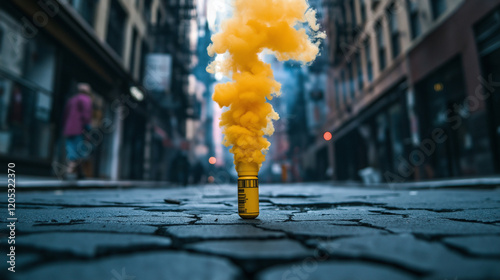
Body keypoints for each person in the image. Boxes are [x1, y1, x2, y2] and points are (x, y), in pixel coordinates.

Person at [63, 83, 93, 179]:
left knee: (72, 149)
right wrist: (88, 128)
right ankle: (69, 171)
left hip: (69, 129)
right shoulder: (86, 100)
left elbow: (65, 114)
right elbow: (86, 116)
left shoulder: (72, 100)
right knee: (77, 151)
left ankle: (79, 173)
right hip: (79, 129)